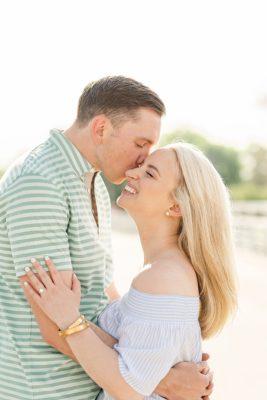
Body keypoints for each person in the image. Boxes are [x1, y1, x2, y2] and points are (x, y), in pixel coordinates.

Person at [0, 76, 212, 400]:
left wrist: (159, 360)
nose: (144, 159)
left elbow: (102, 291)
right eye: (140, 144)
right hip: (46, 390)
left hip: (95, 384)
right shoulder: (39, 184)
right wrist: (162, 380)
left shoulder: (95, 182)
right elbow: (53, 323)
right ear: (100, 129)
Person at [23, 142, 237, 400]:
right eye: (141, 166)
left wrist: (70, 319)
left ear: (176, 207)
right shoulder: (163, 271)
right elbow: (130, 361)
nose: (133, 173)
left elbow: (128, 390)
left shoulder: (163, 277)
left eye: (150, 173)